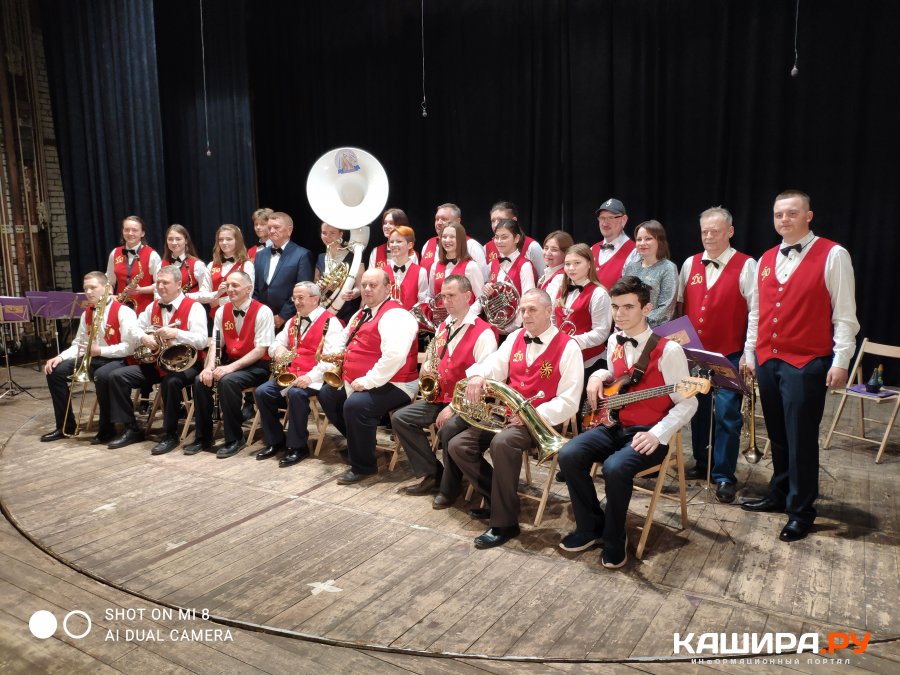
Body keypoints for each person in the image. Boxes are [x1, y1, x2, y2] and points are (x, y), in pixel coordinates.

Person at [741, 190, 858, 542]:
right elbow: (757, 313)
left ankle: (801, 510)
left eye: (792, 213)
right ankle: (779, 494)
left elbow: (844, 315)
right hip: (768, 359)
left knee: (801, 440)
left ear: (808, 216)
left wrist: (841, 360)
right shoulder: (765, 258)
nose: (784, 220)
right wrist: (750, 353)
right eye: (779, 214)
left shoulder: (833, 254)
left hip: (806, 362)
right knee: (777, 435)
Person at [557, 276, 698, 568]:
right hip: (615, 425)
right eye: (615, 307)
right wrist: (598, 376)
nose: (619, 314)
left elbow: (689, 402)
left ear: (646, 309)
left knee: (615, 467)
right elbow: (617, 375)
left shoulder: (669, 350)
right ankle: (590, 526)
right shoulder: (614, 340)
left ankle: (614, 537)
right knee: (568, 454)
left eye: (628, 307)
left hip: (650, 434)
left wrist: (658, 434)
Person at [448, 288, 583, 549]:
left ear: (548, 311)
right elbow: (494, 365)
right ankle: (499, 500)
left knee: (502, 444)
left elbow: (569, 401)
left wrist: (531, 414)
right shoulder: (515, 337)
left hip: (542, 420)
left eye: (532, 309)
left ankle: (505, 523)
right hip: (507, 415)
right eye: (522, 310)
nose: (525, 315)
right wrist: (478, 375)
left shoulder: (569, 347)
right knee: (458, 445)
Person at [392, 275, 498, 497]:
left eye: (451, 296)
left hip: (471, 405)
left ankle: (450, 488)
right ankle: (433, 474)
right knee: (401, 418)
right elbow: (434, 357)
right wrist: (427, 369)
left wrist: (454, 408)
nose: (445, 301)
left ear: (468, 296)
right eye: (443, 296)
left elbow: (484, 381)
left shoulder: (484, 333)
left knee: (448, 429)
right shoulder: (443, 325)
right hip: (441, 397)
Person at [677, 206, 756, 503]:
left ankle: (724, 475)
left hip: (730, 353)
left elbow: (756, 312)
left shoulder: (747, 265)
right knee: (697, 411)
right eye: (705, 232)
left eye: (715, 231)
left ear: (730, 232)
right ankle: (702, 462)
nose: (709, 236)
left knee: (727, 415)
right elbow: (681, 307)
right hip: (696, 355)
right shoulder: (690, 263)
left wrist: (749, 352)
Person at [317, 268, 419, 484]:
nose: (367, 289)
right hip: (363, 380)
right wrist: (332, 358)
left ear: (387, 288)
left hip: (397, 382)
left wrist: (368, 381)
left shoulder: (397, 315)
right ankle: (361, 443)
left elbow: (394, 358)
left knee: (356, 405)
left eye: (373, 285)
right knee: (327, 394)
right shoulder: (361, 313)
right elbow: (343, 339)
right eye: (364, 285)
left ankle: (364, 466)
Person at [106, 266, 208, 453]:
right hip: (157, 364)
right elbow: (134, 328)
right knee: (117, 376)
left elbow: (202, 341)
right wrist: (144, 337)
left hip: (186, 364)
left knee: (171, 381)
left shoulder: (194, 307)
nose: (160, 286)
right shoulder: (152, 307)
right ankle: (131, 429)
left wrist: (177, 333)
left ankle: (170, 434)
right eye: (158, 282)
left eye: (165, 283)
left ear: (178, 285)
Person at [185, 270, 274, 458]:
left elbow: (260, 350)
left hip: (258, 366)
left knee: (228, 381)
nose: (230, 289)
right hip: (231, 364)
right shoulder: (221, 311)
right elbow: (216, 344)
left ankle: (235, 439)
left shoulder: (263, 311)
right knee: (200, 380)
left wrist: (229, 368)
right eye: (228, 285)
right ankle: (203, 437)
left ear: (248, 289)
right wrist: (209, 368)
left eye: (235, 285)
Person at [254, 282, 344, 467]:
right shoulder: (293, 320)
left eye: (300, 298)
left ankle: (298, 447)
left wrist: (310, 377)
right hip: (293, 374)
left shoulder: (331, 322)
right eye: (294, 298)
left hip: (317, 377)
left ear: (315, 299)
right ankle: (276, 441)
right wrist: (278, 349)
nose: (296, 302)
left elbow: (332, 358)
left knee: (296, 394)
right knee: (263, 392)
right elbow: (276, 342)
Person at [41, 271, 139, 443]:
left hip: (119, 360)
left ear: (107, 288)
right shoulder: (87, 313)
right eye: (85, 288)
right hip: (95, 358)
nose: (88, 292)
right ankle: (65, 426)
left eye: (93, 287)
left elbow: (129, 347)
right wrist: (61, 357)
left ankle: (107, 429)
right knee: (55, 371)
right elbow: (79, 344)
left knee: (102, 375)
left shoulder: (124, 312)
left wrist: (101, 351)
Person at [554, 243, 612, 373]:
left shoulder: (599, 294)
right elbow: (553, 320)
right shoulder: (561, 289)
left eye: (577, 263)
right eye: (567, 264)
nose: (571, 268)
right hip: (563, 359)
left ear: (589, 264)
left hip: (590, 362)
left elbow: (601, 332)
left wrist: (571, 341)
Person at [253, 211, 315, 331]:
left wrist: (282, 316)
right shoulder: (260, 255)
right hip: (261, 318)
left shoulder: (302, 255)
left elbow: (303, 290)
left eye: (276, 227)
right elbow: (255, 288)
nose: (271, 231)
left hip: (289, 320)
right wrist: (258, 312)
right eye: (269, 227)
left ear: (289, 230)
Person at [484, 219, 537, 335]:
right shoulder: (493, 264)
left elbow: (528, 300)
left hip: (516, 329)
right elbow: (486, 297)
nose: (499, 241)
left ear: (516, 238)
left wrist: (510, 328)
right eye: (496, 237)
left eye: (504, 237)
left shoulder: (525, 265)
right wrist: (487, 290)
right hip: (495, 327)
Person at [622, 220, 678, 327]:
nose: (642, 243)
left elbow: (666, 308)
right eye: (639, 239)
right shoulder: (631, 267)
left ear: (659, 241)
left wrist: (639, 323)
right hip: (630, 326)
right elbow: (623, 297)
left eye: (648, 239)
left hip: (655, 330)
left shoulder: (668, 268)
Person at [105, 215, 162, 315]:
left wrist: (141, 290)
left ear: (142, 233)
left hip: (144, 310)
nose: (130, 233)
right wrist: (110, 295)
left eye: (135, 230)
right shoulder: (115, 253)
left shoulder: (152, 255)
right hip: (120, 307)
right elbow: (109, 281)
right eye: (126, 230)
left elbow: (160, 285)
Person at [428, 222, 484, 320]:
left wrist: (466, 316)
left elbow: (481, 298)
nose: (447, 240)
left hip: (465, 322)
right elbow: (430, 296)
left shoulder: (471, 266)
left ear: (461, 239)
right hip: (441, 323)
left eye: (452, 237)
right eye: (444, 237)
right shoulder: (435, 266)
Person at [199, 224, 255, 322]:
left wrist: (219, 301)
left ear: (237, 241)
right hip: (216, 317)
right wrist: (216, 295)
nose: (224, 242)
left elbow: (248, 294)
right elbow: (203, 294)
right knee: (216, 334)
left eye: (229, 239)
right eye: (221, 240)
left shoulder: (246, 265)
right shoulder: (211, 265)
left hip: (240, 316)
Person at [419, 203, 487, 278]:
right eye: (437, 219)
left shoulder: (472, 246)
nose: (439, 223)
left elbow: (483, 278)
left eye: (444, 219)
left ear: (458, 221)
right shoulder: (428, 244)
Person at [315, 221, 361, 325]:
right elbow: (315, 282)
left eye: (332, 233)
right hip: (323, 309)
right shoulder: (321, 257)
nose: (327, 237)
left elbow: (360, 286)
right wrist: (317, 285)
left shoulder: (355, 257)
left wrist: (353, 293)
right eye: (324, 233)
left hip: (346, 310)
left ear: (341, 234)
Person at [484, 201, 545, 277]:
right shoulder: (487, 247)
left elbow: (543, 279)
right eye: (493, 221)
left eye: (501, 220)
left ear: (514, 220)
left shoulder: (532, 247)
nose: (495, 225)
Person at [590, 198, 638, 290]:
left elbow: (632, 291)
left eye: (610, 218)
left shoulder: (634, 252)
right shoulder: (592, 249)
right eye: (602, 218)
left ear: (624, 220)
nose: (605, 223)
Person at [384, 225, 428, 309]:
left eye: (399, 241)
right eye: (391, 242)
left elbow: (422, 302)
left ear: (410, 245)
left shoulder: (421, 272)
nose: (394, 245)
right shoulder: (382, 272)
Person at [162, 224, 208, 300]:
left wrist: (183, 297)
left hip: (191, 305)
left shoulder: (198, 265)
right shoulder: (161, 265)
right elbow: (157, 292)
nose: (174, 243)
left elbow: (205, 293)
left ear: (186, 241)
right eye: (170, 239)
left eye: (178, 239)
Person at [538, 230, 573, 297]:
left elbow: (551, 302)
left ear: (566, 253)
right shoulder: (549, 272)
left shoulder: (560, 277)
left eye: (554, 250)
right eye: (546, 248)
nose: (548, 253)